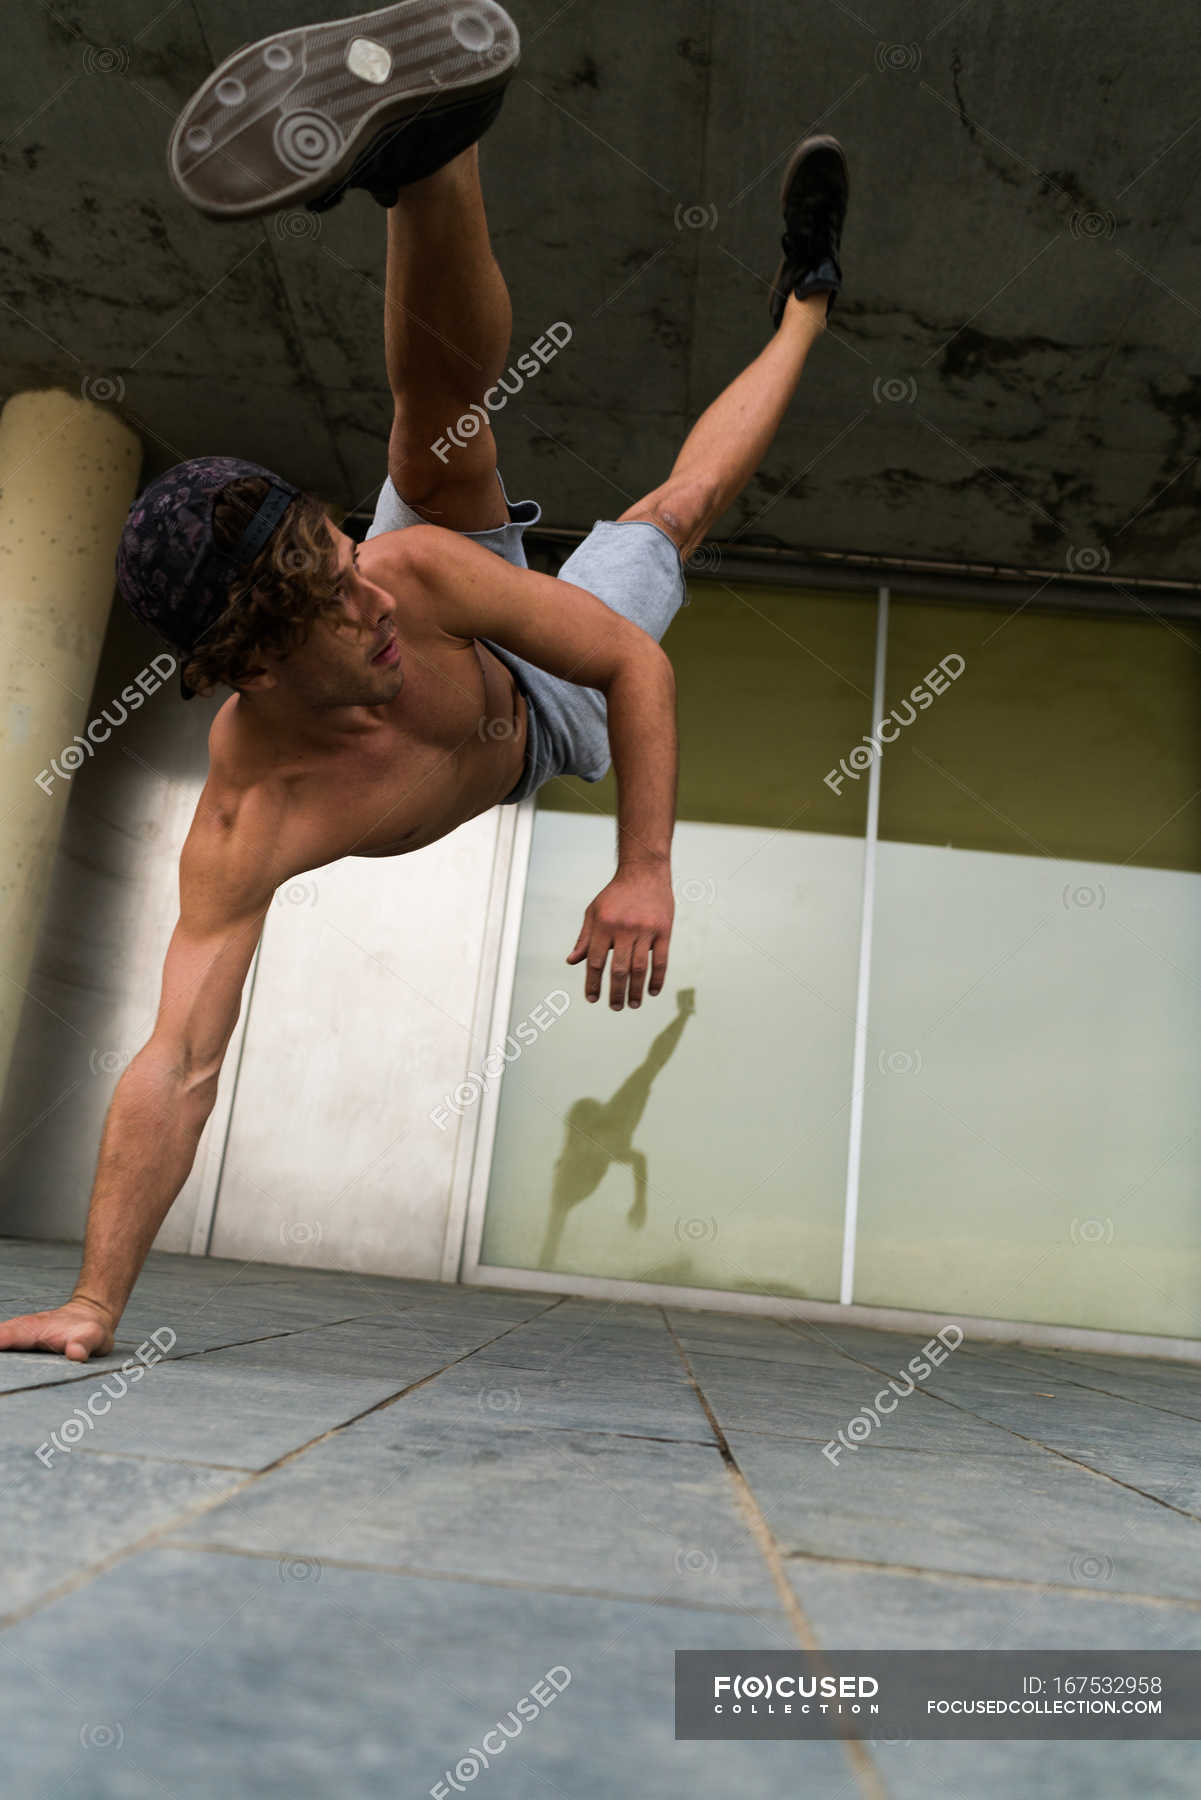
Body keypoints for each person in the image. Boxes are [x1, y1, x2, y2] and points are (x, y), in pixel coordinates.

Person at [0, 0, 849, 1361]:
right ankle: (798, 294)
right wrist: (95, 1302)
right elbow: (178, 1064)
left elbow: (630, 659)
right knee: (673, 507)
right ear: (255, 665)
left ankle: (432, 159)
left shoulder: (403, 582)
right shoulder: (246, 824)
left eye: (335, 548)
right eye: (330, 600)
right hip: (545, 726)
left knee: (442, 459)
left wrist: (643, 865)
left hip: (533, 658)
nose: (363, 589)